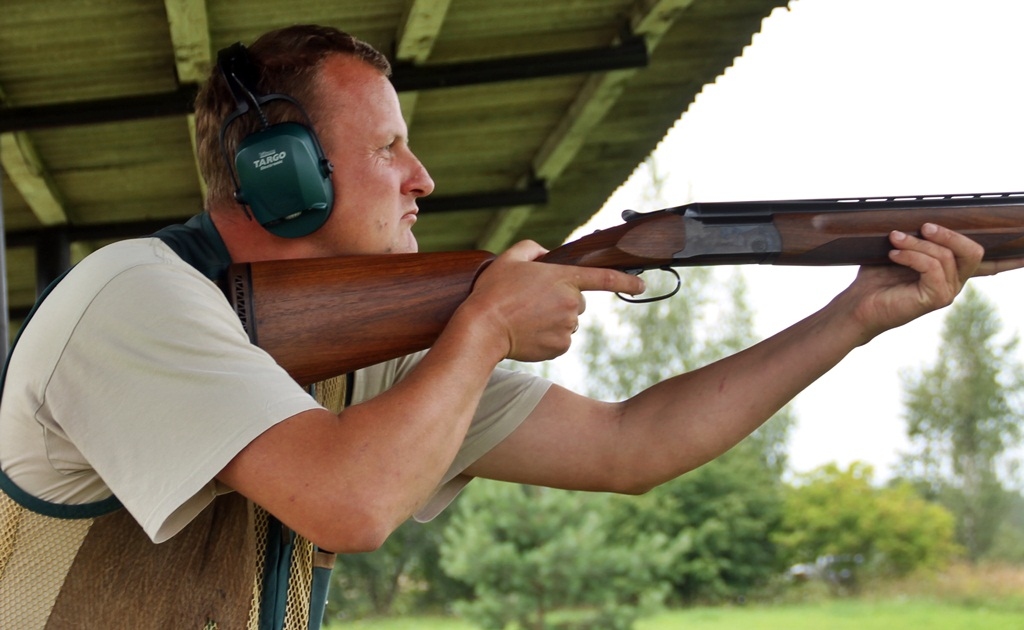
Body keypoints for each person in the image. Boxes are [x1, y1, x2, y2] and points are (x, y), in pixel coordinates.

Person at [1, 24, 1020, 629]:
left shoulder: (358, 345)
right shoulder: (133, 298)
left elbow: (632, 447)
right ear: (287, 176)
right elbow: (348, 506)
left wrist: (850, 318)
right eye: (391, 148)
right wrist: (483, 324)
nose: (424, 181)